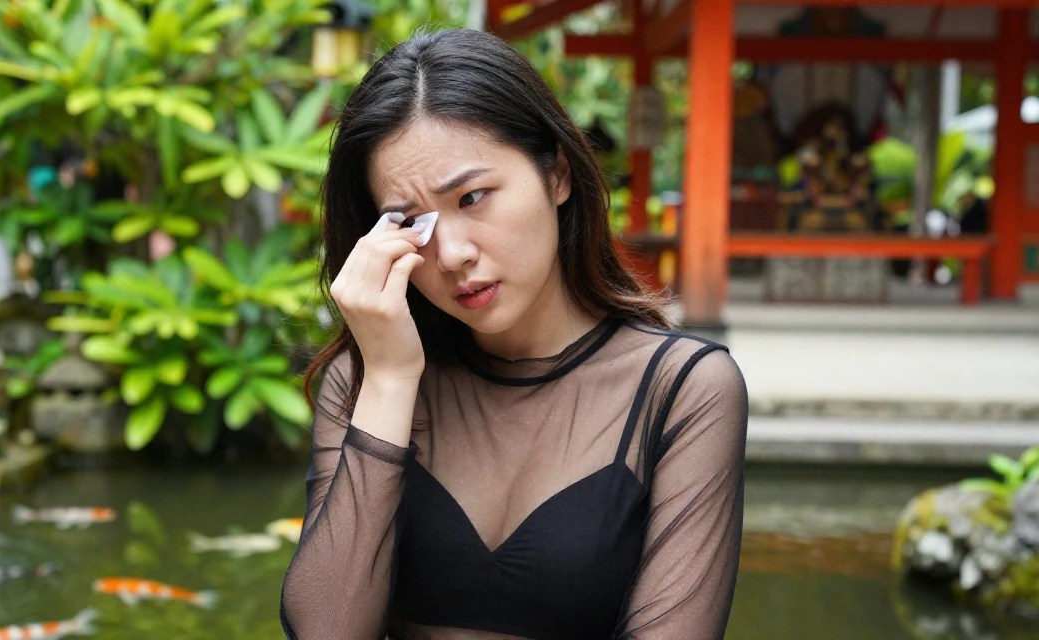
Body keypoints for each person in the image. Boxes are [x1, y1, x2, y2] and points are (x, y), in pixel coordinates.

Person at [280, 28, 748, 640]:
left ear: (556, 176)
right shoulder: (366, 377)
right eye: (410, 222)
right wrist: (391, 380)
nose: (450, 254)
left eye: (473, 197)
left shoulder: (682, 390)